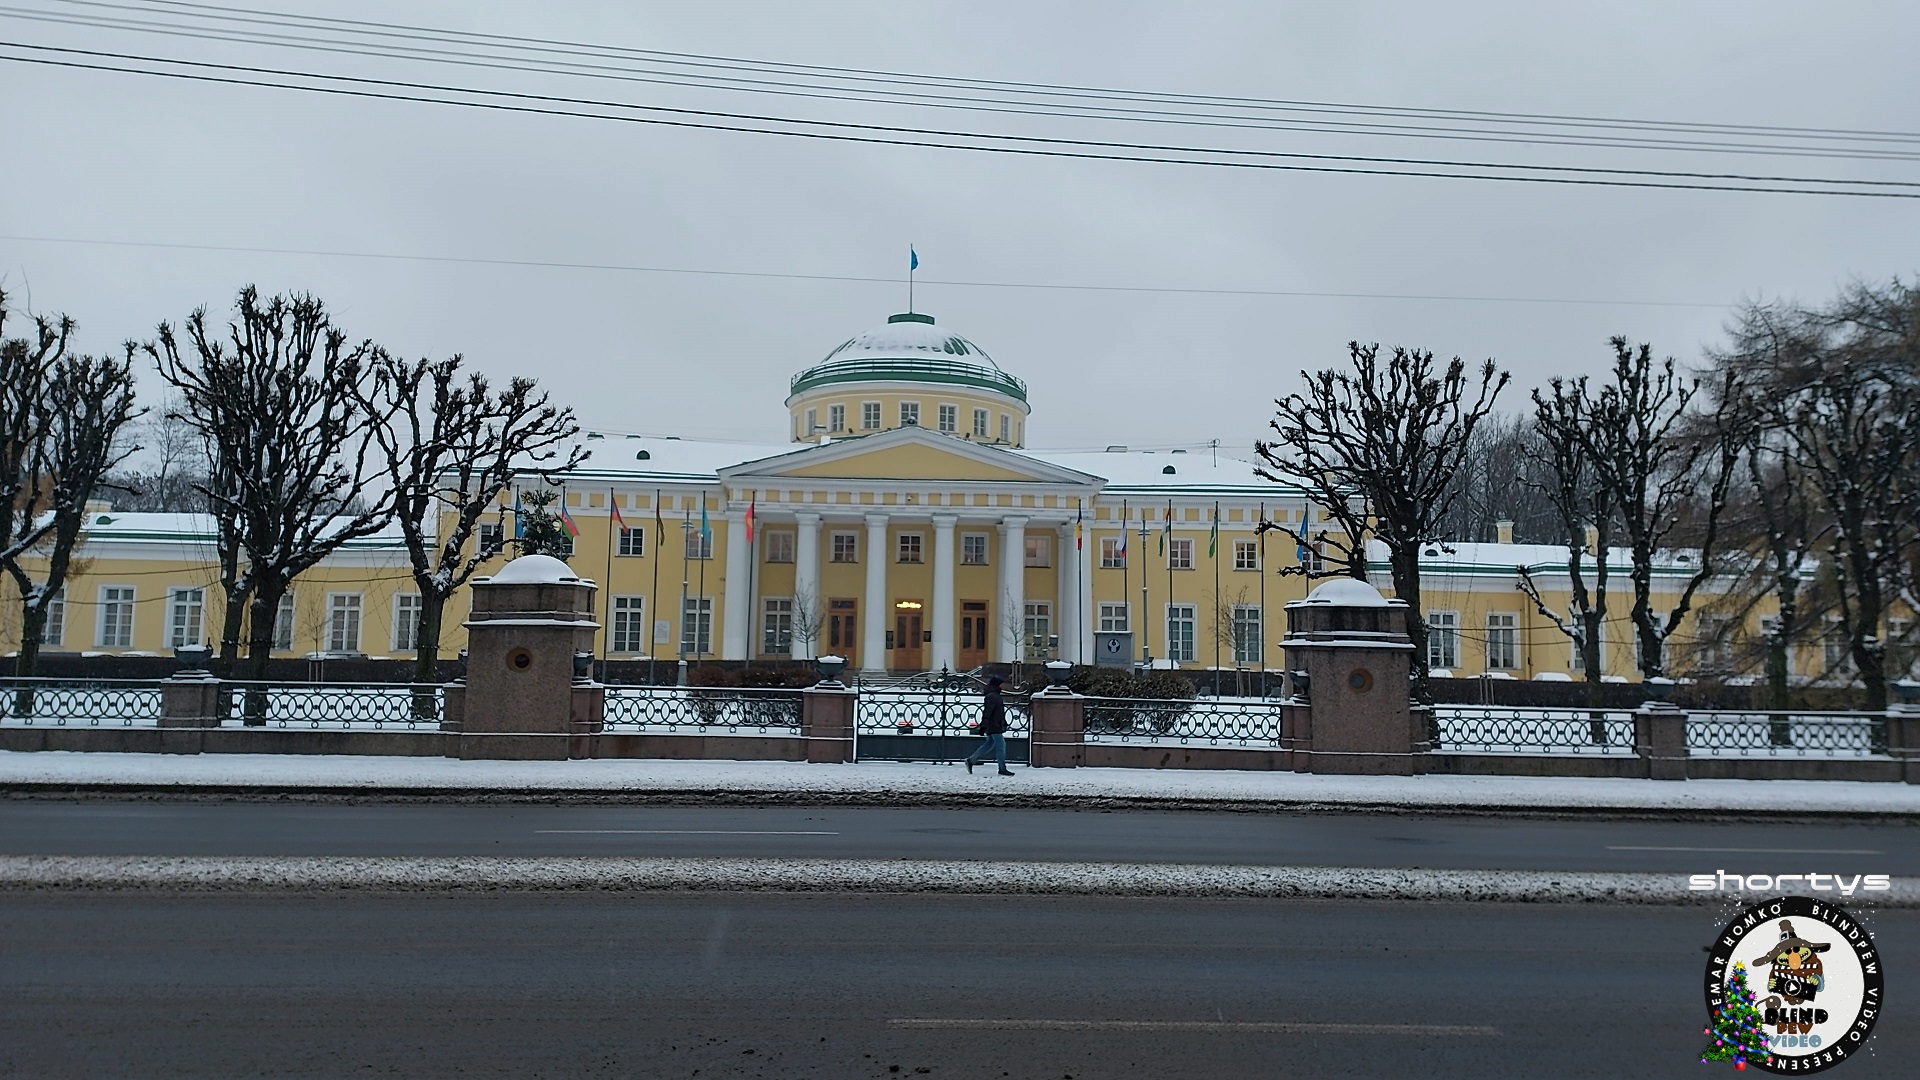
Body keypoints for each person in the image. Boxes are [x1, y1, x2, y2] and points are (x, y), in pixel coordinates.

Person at [967, 675, 1014, 776]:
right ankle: (1002, 768)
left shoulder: (994, 695)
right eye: (1000, 684)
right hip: (994, 725)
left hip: (995, 724)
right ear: (996, 685)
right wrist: (983, 726)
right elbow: (987, 712)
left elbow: (996, 712)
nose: (1002, 686)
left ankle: (971, 760)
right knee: (1001, 746)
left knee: (989, 744)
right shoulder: (992, 696)